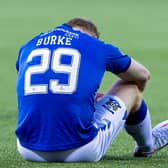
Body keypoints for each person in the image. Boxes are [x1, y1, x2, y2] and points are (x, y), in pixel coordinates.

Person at [15, 18, 168, 162]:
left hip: (27, 148)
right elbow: (143, 75)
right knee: (131, 87)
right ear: (91, 35)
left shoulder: (28, 46)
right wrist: (133, 103)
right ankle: (148, 145)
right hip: (81, 149)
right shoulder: (96, 45)